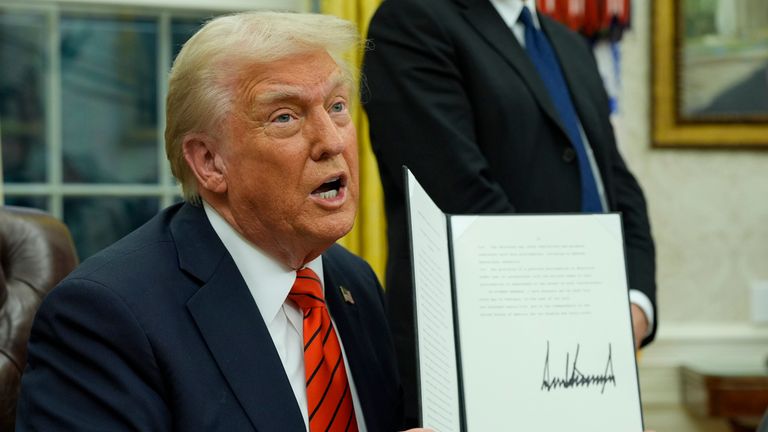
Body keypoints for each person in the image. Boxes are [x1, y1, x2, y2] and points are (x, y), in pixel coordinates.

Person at [17, 11, 429, 432]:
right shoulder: (106, 318)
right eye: (285, 116)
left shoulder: (352, 281)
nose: (332, 140)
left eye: (337, 106)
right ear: (210, 162)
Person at [362, 0, 657, 426]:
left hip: (593, 368)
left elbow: (617, 185)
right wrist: (580, 314)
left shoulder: (568, 44)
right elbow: (460, 197)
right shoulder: (413, 20)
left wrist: (635, 304)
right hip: (481, 363)